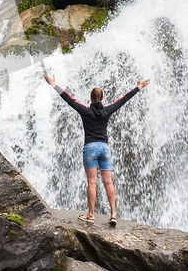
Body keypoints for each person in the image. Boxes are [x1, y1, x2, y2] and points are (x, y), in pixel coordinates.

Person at [44, 73, 150, 224]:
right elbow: (123, 100)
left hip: (90, 148)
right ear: (102, 98)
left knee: (92, 182)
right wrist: (138, 87)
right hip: (104, 149)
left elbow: (68, 99)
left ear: (91, 98)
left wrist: (54, 85)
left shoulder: (85, 111)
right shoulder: (107, 111)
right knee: (108, 182)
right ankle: (113, 214)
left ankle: (91, 214)